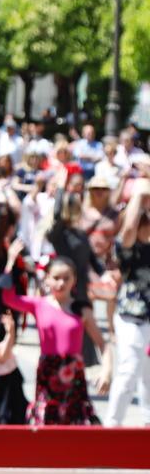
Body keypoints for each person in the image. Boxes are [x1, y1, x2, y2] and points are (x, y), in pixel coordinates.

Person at [0, 243, 110, 425]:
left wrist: (107, 370)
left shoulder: (81, 309)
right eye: (56, 278)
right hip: (48, 373)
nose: (61, 283)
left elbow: (103, 344)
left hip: (74, 375)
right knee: (47, 424)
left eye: (66, 278)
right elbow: (8, 297)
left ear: (74, 280)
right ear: (47, 279)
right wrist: (11, 260)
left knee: (75, 424)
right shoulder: (39, 304)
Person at [104, 179, 150, 426]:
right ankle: (112, 427)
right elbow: (129, 228)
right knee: (129, 370)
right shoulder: (129, 248)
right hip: (132, 315)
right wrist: (140, 191)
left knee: (148, 377)